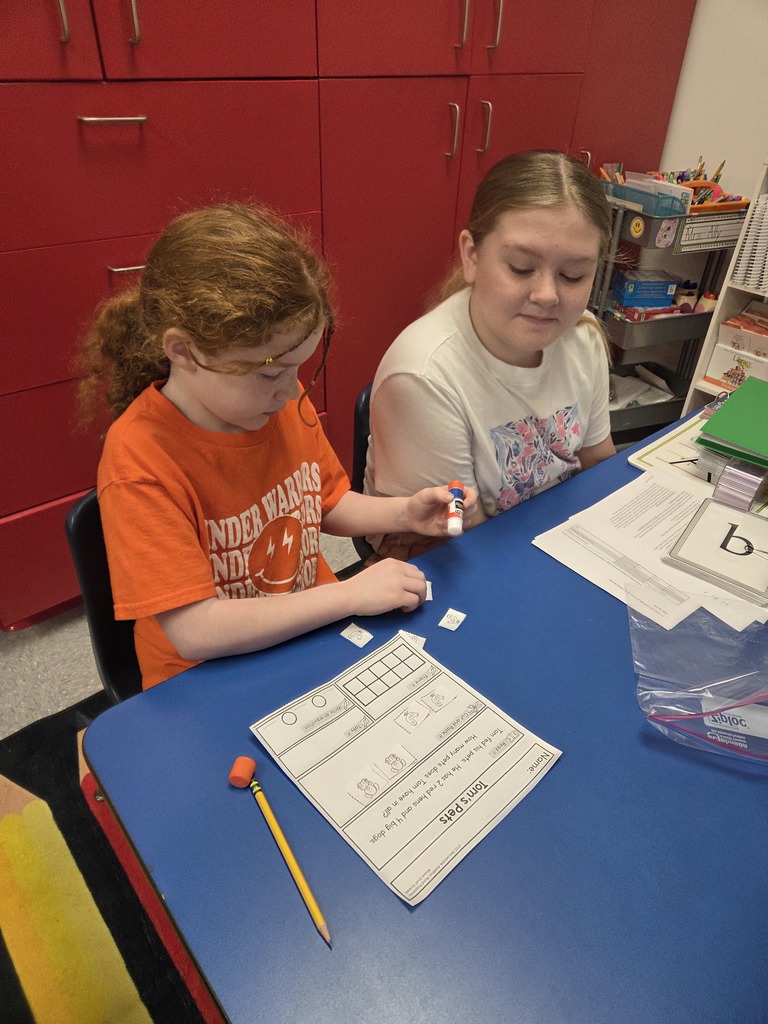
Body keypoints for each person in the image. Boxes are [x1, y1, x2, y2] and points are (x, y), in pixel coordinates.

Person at [78, 203, 476, 689]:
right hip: (206, 679)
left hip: (306, 633)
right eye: (270, 373)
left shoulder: (272, 403)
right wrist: (349, 595)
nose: (292, 391)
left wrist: (404, 515)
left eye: (298, 369)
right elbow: (194, 631)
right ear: (183, 351)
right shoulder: (140, 460)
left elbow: (325, 501)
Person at [364, 150, 616, 560]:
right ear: (472, 255)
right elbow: (455, 538)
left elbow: (598, 464)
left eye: (573, 275)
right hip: (452, 555)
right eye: (520, 267)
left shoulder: (581, 336)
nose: (548, 295)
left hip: (544, 535)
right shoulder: (424, 375)